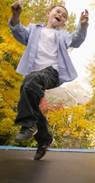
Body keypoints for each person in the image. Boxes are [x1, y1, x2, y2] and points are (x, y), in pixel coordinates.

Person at [9, 1, 89, 160]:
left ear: (65, 22)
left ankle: (27, 126)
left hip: (53, 72)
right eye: (58, 12)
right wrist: (16, 15)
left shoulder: (63, 35)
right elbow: (18, 32)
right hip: (34, 74)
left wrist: (83, 26)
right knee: (29, 95)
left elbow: (77, 39)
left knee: (31, 81)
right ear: (48, 14)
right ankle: (44, 139)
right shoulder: (34, 30)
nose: (60, 15)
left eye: (64, 16)